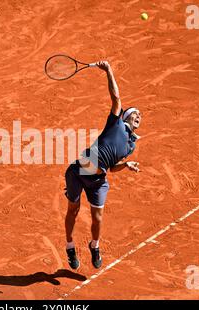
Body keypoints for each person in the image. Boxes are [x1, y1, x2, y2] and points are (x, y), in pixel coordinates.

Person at [64, 61, 142, 269]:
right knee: (73, 209)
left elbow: (111, 167)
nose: (139, 116)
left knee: (97, 218)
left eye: (140, 117)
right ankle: (70, 246)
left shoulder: (130, 147)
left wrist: (125, 166)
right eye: (136, 114)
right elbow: (116, 97)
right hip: (82, 169)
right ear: (125, 116)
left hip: (98, 179)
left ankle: (94, 245)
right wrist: (108, 70)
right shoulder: (116, 122)